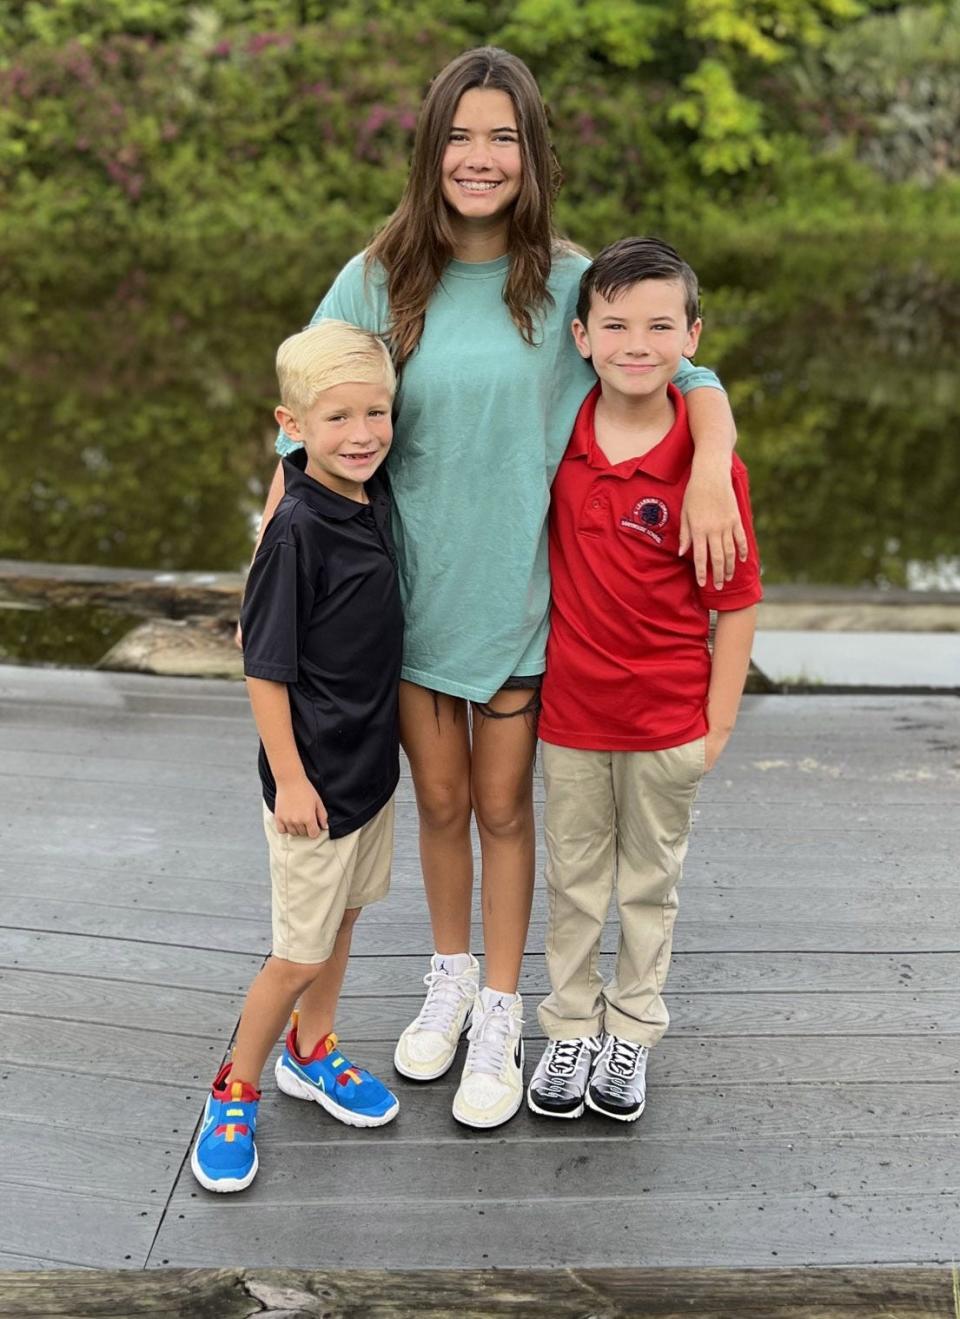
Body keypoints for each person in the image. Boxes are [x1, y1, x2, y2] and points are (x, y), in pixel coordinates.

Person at [247, 47, 747, 1130]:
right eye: (461, 136)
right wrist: (280, 536)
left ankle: (506, 1011)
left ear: (532, 154)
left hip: (524, 601)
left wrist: (709, 465)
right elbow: (310, 395)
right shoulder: (377, 276)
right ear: (432, 149)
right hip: (410, 604)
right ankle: (451, 976)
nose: (480, 158)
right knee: (435, 802)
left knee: (506, 806)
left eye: (503, 138)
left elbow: (685, 371)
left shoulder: (570, 281)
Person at [526, 237, 762, 1123]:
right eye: (615, 323)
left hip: (669, 722)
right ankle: (571, 1027)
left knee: (648, 884)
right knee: (575, 879)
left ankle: (631, 1029)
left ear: (691, 335)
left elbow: (735, 602)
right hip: (573, 717)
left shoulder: (711, 470)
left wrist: (720, 724)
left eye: (660, 325)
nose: (636, 342)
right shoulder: (560, 443)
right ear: (580, 335)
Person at [192, 320, 402, 1193]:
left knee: (342, 924)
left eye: (377, 412)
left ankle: (311, 1050)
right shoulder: (296, 533)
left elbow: (339, 447)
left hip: (369, 772)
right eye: (338, 417)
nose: (362, 434)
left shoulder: (367, 488)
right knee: (297, 951)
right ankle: (234, 1085)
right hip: (309, 783)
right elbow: (263, 665)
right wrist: (291, 777)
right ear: (292, 424)